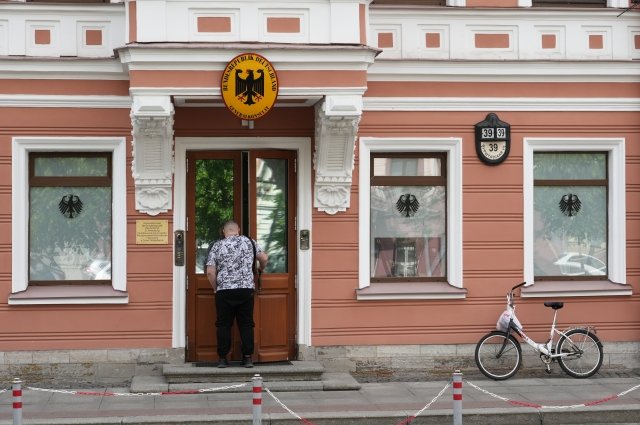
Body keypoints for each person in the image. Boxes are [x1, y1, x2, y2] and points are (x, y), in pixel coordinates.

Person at [206, 220, 268, 368]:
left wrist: (216, 288)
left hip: (224, 290)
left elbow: (210, 271)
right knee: (246, 324)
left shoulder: (217, 245)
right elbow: (264, 258)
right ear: (238, 230)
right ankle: (247, 358)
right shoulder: (249, 242)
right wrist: (261, 269)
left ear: (223, 231)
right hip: (245, 289)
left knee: (223, 324)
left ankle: (222, 359)